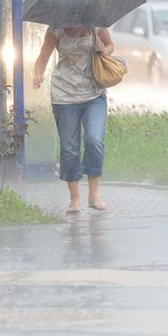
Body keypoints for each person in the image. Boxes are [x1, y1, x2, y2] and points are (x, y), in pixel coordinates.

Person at [33, 25, 114, 214]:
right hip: (64, 96)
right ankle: (74, 198)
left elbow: (110, 45)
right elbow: (43, 57)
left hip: (94, 93)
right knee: (70, 147)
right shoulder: (56, 29)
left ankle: (94, 195)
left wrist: (103, 50)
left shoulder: (95, 25)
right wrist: (38, 75)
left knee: (94, 140)